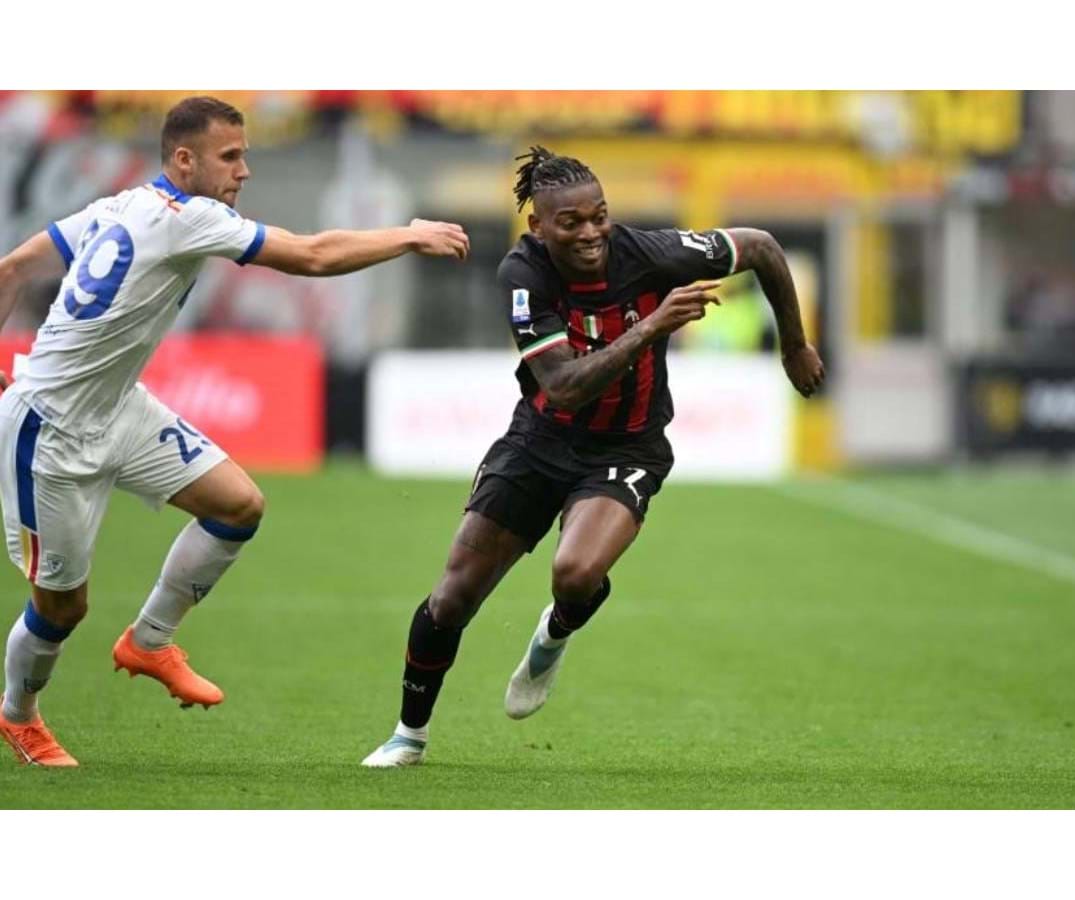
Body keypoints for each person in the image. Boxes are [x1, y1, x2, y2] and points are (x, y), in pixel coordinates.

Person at [0, 96, 470, 766]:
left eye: (244, 155)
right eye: (231, 156)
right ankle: (18, 716)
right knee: (62, 609)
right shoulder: (191, 218)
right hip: (50, 433)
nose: (243, 170)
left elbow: (12, 269)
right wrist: (407, 234)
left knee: (238, 504)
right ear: (184, 160)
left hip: (116, 407)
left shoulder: (122, 205)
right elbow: (310, 255)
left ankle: (151, 640)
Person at [362, 146, 824, 767]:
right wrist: (651, 327)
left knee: (575, 574)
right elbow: (563, 385)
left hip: (626, 446)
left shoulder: (652, 254)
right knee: (452, 599)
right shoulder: (523, 276)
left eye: (598, 216)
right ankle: (407, 737)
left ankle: (553, 635)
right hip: (538, 441)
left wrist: (794, 347)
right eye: (570, 222)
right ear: (538, 227)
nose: (590, 233)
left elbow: (763, 247)